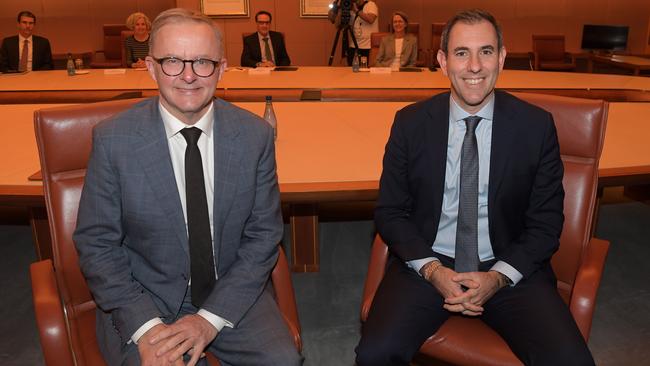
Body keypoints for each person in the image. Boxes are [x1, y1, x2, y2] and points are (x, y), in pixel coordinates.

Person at [356, 9, 595, 366]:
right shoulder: (410, 124)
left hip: (508, 266)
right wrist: (434, 271)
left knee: (571, 360)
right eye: (461, 53)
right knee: (375, 354)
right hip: (427, 264)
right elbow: (390, 212)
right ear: (442, 61)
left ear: (501, 57)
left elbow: (545, 224)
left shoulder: (535, 126)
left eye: (485, 51)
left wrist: (498, 278)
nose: (474, 67)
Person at [73, 8, 302, 366]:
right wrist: (146, 327)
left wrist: (208, 320)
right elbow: (97, 245)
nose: (189, 76)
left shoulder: (255, 137)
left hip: (229, 293)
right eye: (172, 61)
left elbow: (263, 236)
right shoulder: (113, 139)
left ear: (222, 68)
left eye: (202, 62)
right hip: (143, 298)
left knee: (283, 361)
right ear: (150, 67)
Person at [346, 0, 378, 66]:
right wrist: (337, 9)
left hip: (368, 46)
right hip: (354, 45)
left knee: (366, 72)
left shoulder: (370, 5)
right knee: (352, 70)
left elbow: (371, 19)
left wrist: (356, 11)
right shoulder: (351, 7)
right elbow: (337, 23)